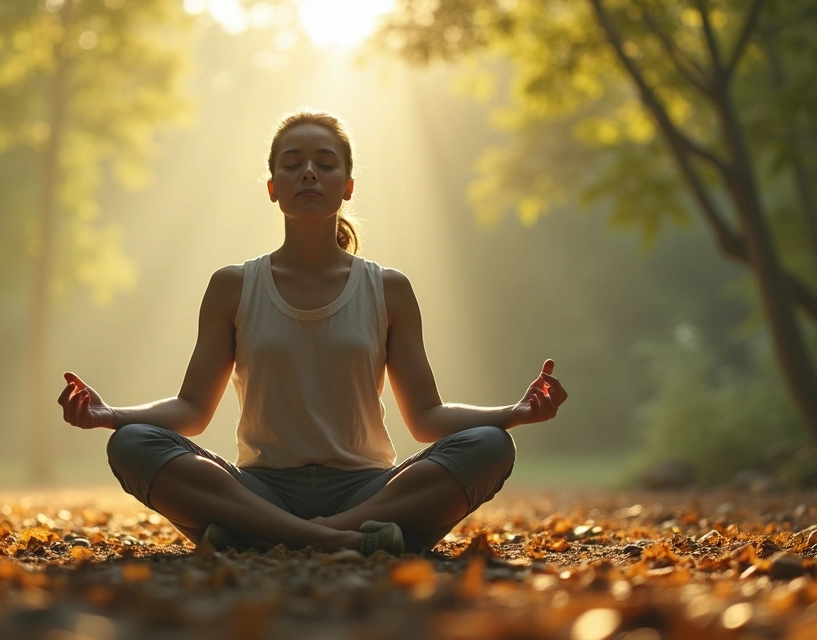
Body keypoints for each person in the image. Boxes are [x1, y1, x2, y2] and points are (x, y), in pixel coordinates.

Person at [57, 109, 568, 555]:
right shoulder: (232, 286)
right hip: (259, 488)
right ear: (272, 186)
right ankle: (352, 540)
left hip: (368, 491)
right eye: (292, 163)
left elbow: (427, 417)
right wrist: (110, 415)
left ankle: (270, 536)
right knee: (132, 444)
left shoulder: (388, 288)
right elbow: (191, 411)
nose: (308, 173)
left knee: (490, 446)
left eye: (325, 164)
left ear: (347, 185)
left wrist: (515, 413)